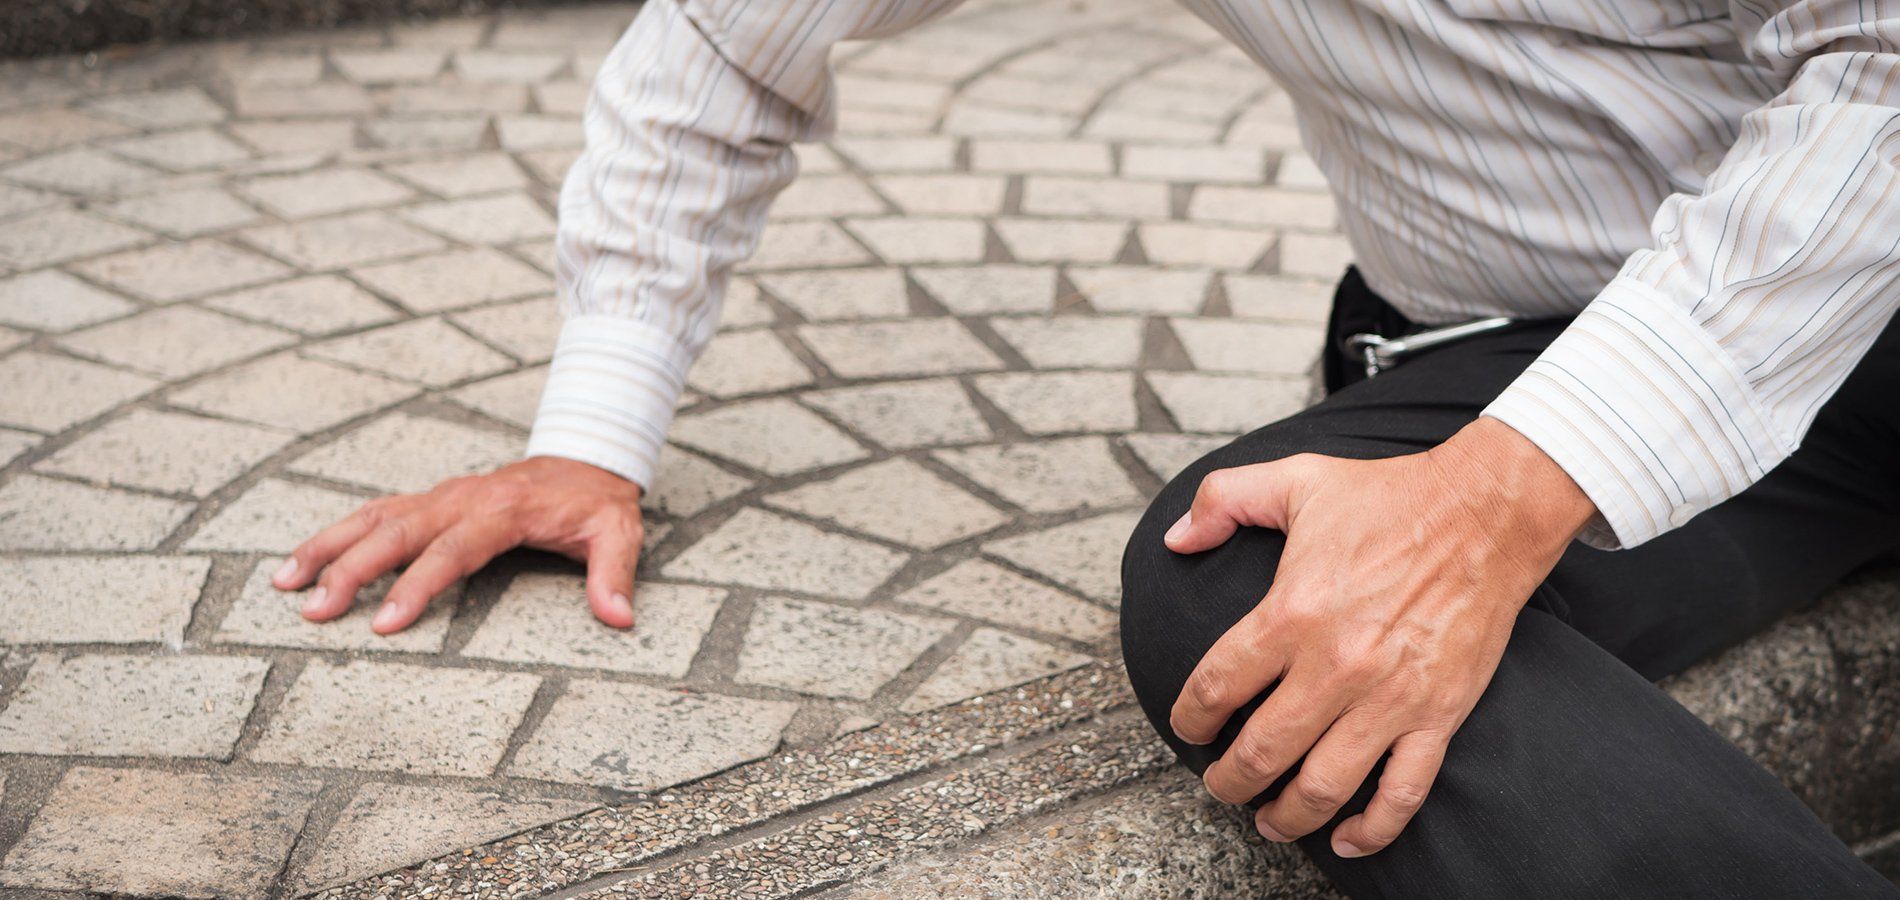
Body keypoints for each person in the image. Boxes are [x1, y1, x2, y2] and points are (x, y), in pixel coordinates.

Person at [272, 0, 1900, 894]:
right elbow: (722, 40)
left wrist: (1506, 494)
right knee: (1247, 581)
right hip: (1524, 334)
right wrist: (588, 434)